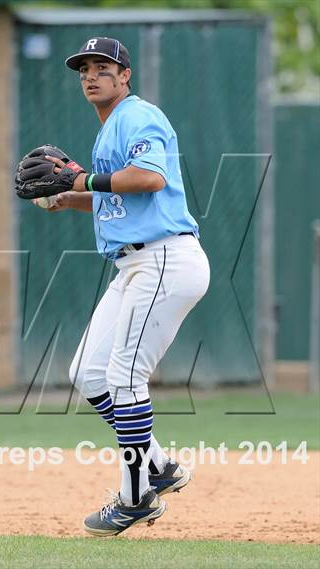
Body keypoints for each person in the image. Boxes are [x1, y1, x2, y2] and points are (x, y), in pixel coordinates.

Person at [33, 37, 210, 537]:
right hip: (136, 266)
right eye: (84, 68)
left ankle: (135, 499)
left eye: (103, 67)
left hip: (163, 260)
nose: (91, 75)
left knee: (125, 378)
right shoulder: (110, 128)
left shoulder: (137, 116)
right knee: (88, 373)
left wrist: (85, 180)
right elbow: (119, 198)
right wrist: (73, 198)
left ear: (125, 74)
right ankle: (159, 466)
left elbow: (149, 179)